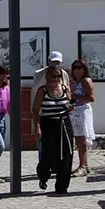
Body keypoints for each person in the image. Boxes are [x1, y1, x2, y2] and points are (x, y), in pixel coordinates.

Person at [33, 66, 75, 194]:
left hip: (64, 122)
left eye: (58, 76)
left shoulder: (64, 88)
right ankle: (43, 176)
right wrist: (37, 127)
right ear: (47, 77)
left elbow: (70, 103)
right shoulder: (42, 90)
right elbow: (35, 110)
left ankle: (62, 187)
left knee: (67, 155)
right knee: (48, 155)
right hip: (48, 123)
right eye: (52, 76)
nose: (55, 79)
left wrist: (71, 107)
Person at [69, 59, 96, 176]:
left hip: (83, 111)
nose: (76, 70)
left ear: (84, 69)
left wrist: (74, 95)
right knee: (79, 140)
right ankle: (85, 164)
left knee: (81, 140)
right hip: (75, 111)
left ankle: (82, 166)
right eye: (74, 67)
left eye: (79, 68)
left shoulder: (86, 81)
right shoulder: (75, 83)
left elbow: (91, 98)